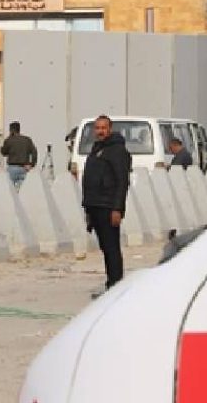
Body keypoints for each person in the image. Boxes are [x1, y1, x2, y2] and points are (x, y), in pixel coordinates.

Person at [81, 115, 131, 295]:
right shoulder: (97, 149)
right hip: (95, 205)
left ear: (110, 129)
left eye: (103, 128)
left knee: (111, 247)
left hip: (108, 206)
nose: (100, 131)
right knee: (105, 247)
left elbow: (122, 181)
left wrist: (117, 208)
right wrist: (87, 207)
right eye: (97, 128)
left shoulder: (117, 150)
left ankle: (116, 285)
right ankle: (111, 281)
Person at [0, 121, 38, 186]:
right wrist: (32, 164)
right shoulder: (27, 139)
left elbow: (4, 153)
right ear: (19, 129)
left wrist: (1, 147)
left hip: (12, 168)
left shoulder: (9, 140)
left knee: (11, 191)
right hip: (24, 168)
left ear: (11, 130)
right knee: (23, 190)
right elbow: (34, 152)